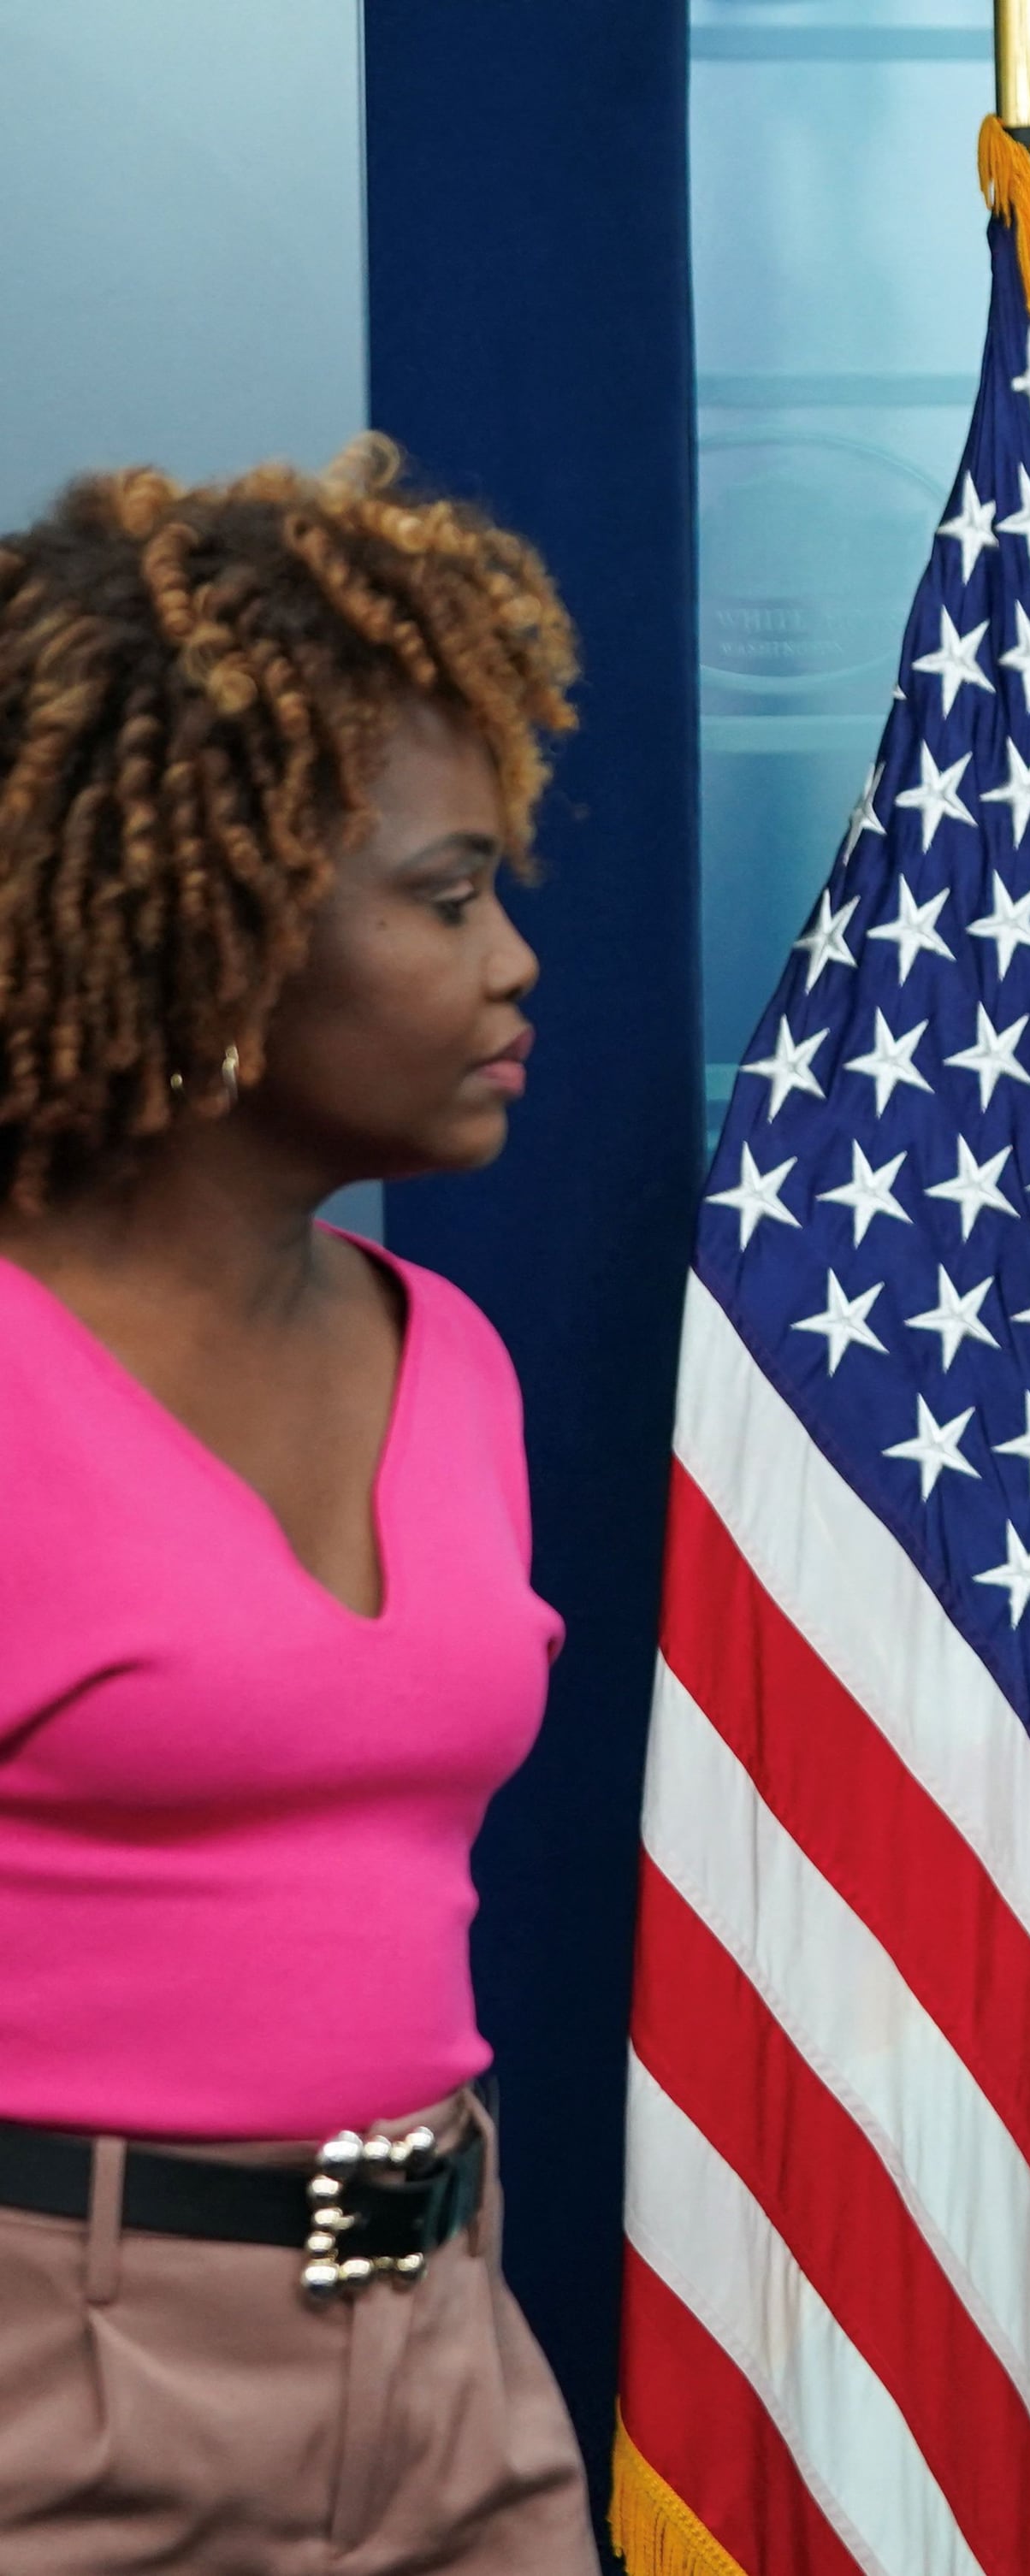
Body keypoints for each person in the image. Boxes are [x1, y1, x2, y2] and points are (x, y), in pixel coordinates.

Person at [0, 444, 595, 2573]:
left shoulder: (451, 1359)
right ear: (221, 921)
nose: (516, 963)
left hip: (447, 2354)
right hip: (56, 2386)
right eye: (445, 901)